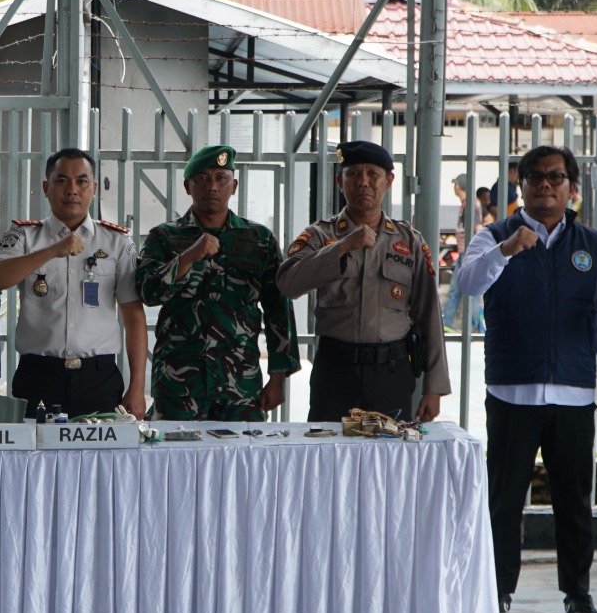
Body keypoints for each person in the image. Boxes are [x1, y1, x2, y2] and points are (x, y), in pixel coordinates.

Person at [451, 144, 597, 613]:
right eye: (535, 177)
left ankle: (578, 594)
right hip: (512, 392)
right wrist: (507, 250)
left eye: (556, 177)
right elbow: (466, 283)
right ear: (521, 185)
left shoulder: (591, 244)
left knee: (574, 501)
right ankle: (498, 591)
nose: (545, 185)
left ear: (572, 187)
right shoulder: (493, 235)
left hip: (573, 394)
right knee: (504, 500)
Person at [276, 139, 448, 423]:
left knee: (389, 450)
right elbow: (287, 283)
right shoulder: (320, 235)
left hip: (391, 372)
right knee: (328, 448)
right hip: (335, 371)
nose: (363, 182)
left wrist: (435, 387)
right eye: (353, 174)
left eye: (372, 174)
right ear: (340, 182)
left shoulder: (410, 241)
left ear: (388, 181)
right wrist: (341, 247)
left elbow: (429, 314)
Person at [136, 143, 300, 420]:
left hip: (239, 384)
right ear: (187, 186)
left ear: (233, 186)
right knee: (174, 449)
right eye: (202, 178)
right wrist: (187, 258)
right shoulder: (164, 237)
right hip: (179, 385)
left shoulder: (259, 239)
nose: (212, 186)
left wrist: (278, 377)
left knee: (242, 449)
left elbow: (278, 310)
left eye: (221, 178)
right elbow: (148, 293)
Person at [0, 147, 147, 418]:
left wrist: (137, 386)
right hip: (38, 376)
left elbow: (133, 316)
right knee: (33, 447)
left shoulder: (116, 241)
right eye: (62, 181)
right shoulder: (24, 235)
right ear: (46, 188)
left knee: (100, 447)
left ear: (94, 189)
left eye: (81, 181)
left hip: (98, 378)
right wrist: (52, 250)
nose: (72, 190)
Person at [442, 173, 485, 334]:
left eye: (455, 184)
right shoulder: (471, 204)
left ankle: (473, 326)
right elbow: (486, 219)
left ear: (458, 186)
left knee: (468, 290)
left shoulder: (469, 206)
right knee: (458, 289)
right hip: (466, 253)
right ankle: (447, 322)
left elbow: (478, 228)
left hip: (468, 253)